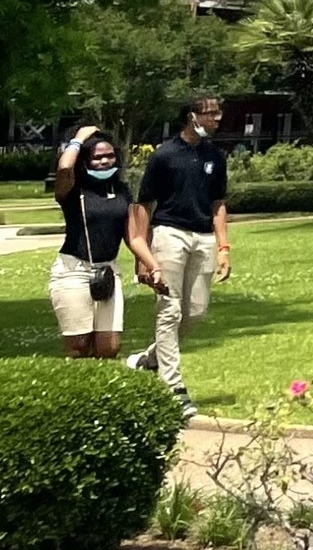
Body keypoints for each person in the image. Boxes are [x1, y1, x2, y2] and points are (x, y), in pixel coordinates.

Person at [125, 93, 230, 414]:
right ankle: (174, 387)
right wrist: (142, 258)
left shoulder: (215, 156)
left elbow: (218, 204)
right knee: (170, 312)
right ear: (191, 116)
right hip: (169, 235)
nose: (216, 119)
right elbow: (144, 206)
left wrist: (224, 246)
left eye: (217, 113)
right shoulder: (164, 156)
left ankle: (150, 360)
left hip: (203, 238)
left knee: (195, 312)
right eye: (210, 114)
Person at [48, 125, 132, 360]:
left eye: (109, 156)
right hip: (74, 270)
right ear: (85, 161)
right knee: (80, 346)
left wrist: (147, 263)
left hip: (108, 271)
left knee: (109, 347)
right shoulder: (73, 189)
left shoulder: (121, 190)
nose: (105, 161)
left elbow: (132, 233)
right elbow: (65, 167)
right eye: (97, 157)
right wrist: (79, 138)